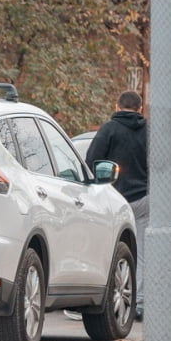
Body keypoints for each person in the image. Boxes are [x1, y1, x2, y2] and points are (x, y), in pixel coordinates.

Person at [67, 90, 148, 322]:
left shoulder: (109, 129)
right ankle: (137, 303)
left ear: (117, 105)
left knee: (108, 250)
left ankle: (104, 299)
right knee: (140, 253)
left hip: (113, 200)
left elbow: (92, 161)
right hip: (144, 198)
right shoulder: (150, 131)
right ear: (140, 108)